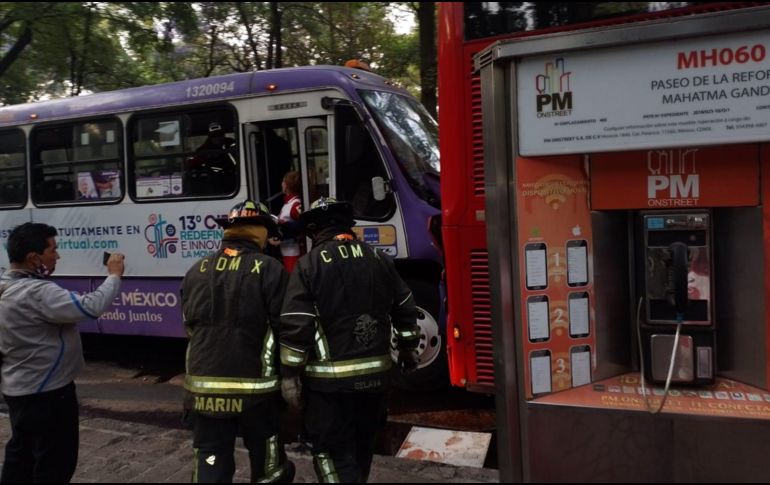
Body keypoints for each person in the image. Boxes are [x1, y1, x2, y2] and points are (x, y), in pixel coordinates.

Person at [278, 197, 420, 483]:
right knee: (361, 449)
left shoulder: (309, 265)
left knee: (330, 454)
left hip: (329, 388)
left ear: (315, 230)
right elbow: (405, 306)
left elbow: (297, 323)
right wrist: (408, 349)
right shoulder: (378, 258)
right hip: (376, 384)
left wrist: (290, 374)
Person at [0, 223, 125, 483]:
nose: (57, 256)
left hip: (17, 389)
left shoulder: (6, 285)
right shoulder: (36, 292)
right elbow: (90, 307)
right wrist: (114, 275)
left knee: (21, 457)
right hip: (48, 393)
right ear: (34, 258)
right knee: (55, 464)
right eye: (52, 250)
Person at [181, 200, 295, 483]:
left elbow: (189, 325)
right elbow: (286, 328)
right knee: (268, 463)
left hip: (204, 392)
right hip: (257, 394)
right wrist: (290, 376)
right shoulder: (270, 269)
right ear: (260, 232)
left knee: (210, 456)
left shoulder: (196, 270)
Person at [275, 171, 304, 272]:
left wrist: (285, 230)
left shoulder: (295, 204)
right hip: (286, 250)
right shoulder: (288, 203)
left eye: (283, 181)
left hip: (293, 252)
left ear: (288, 185)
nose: (282, 184)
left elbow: (303, 225)